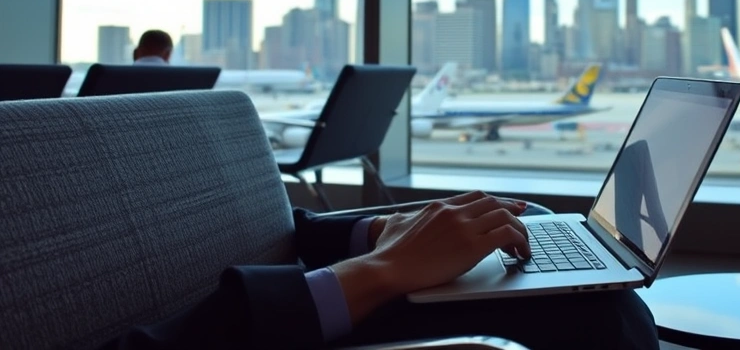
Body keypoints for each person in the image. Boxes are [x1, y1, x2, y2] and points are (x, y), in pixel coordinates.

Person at [99, 191, 659, 350]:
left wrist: (380, 230)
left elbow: (272, 224)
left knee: (533, 227)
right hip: (254, 327)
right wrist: (379, 270)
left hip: (285, 290)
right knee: (600, 316)